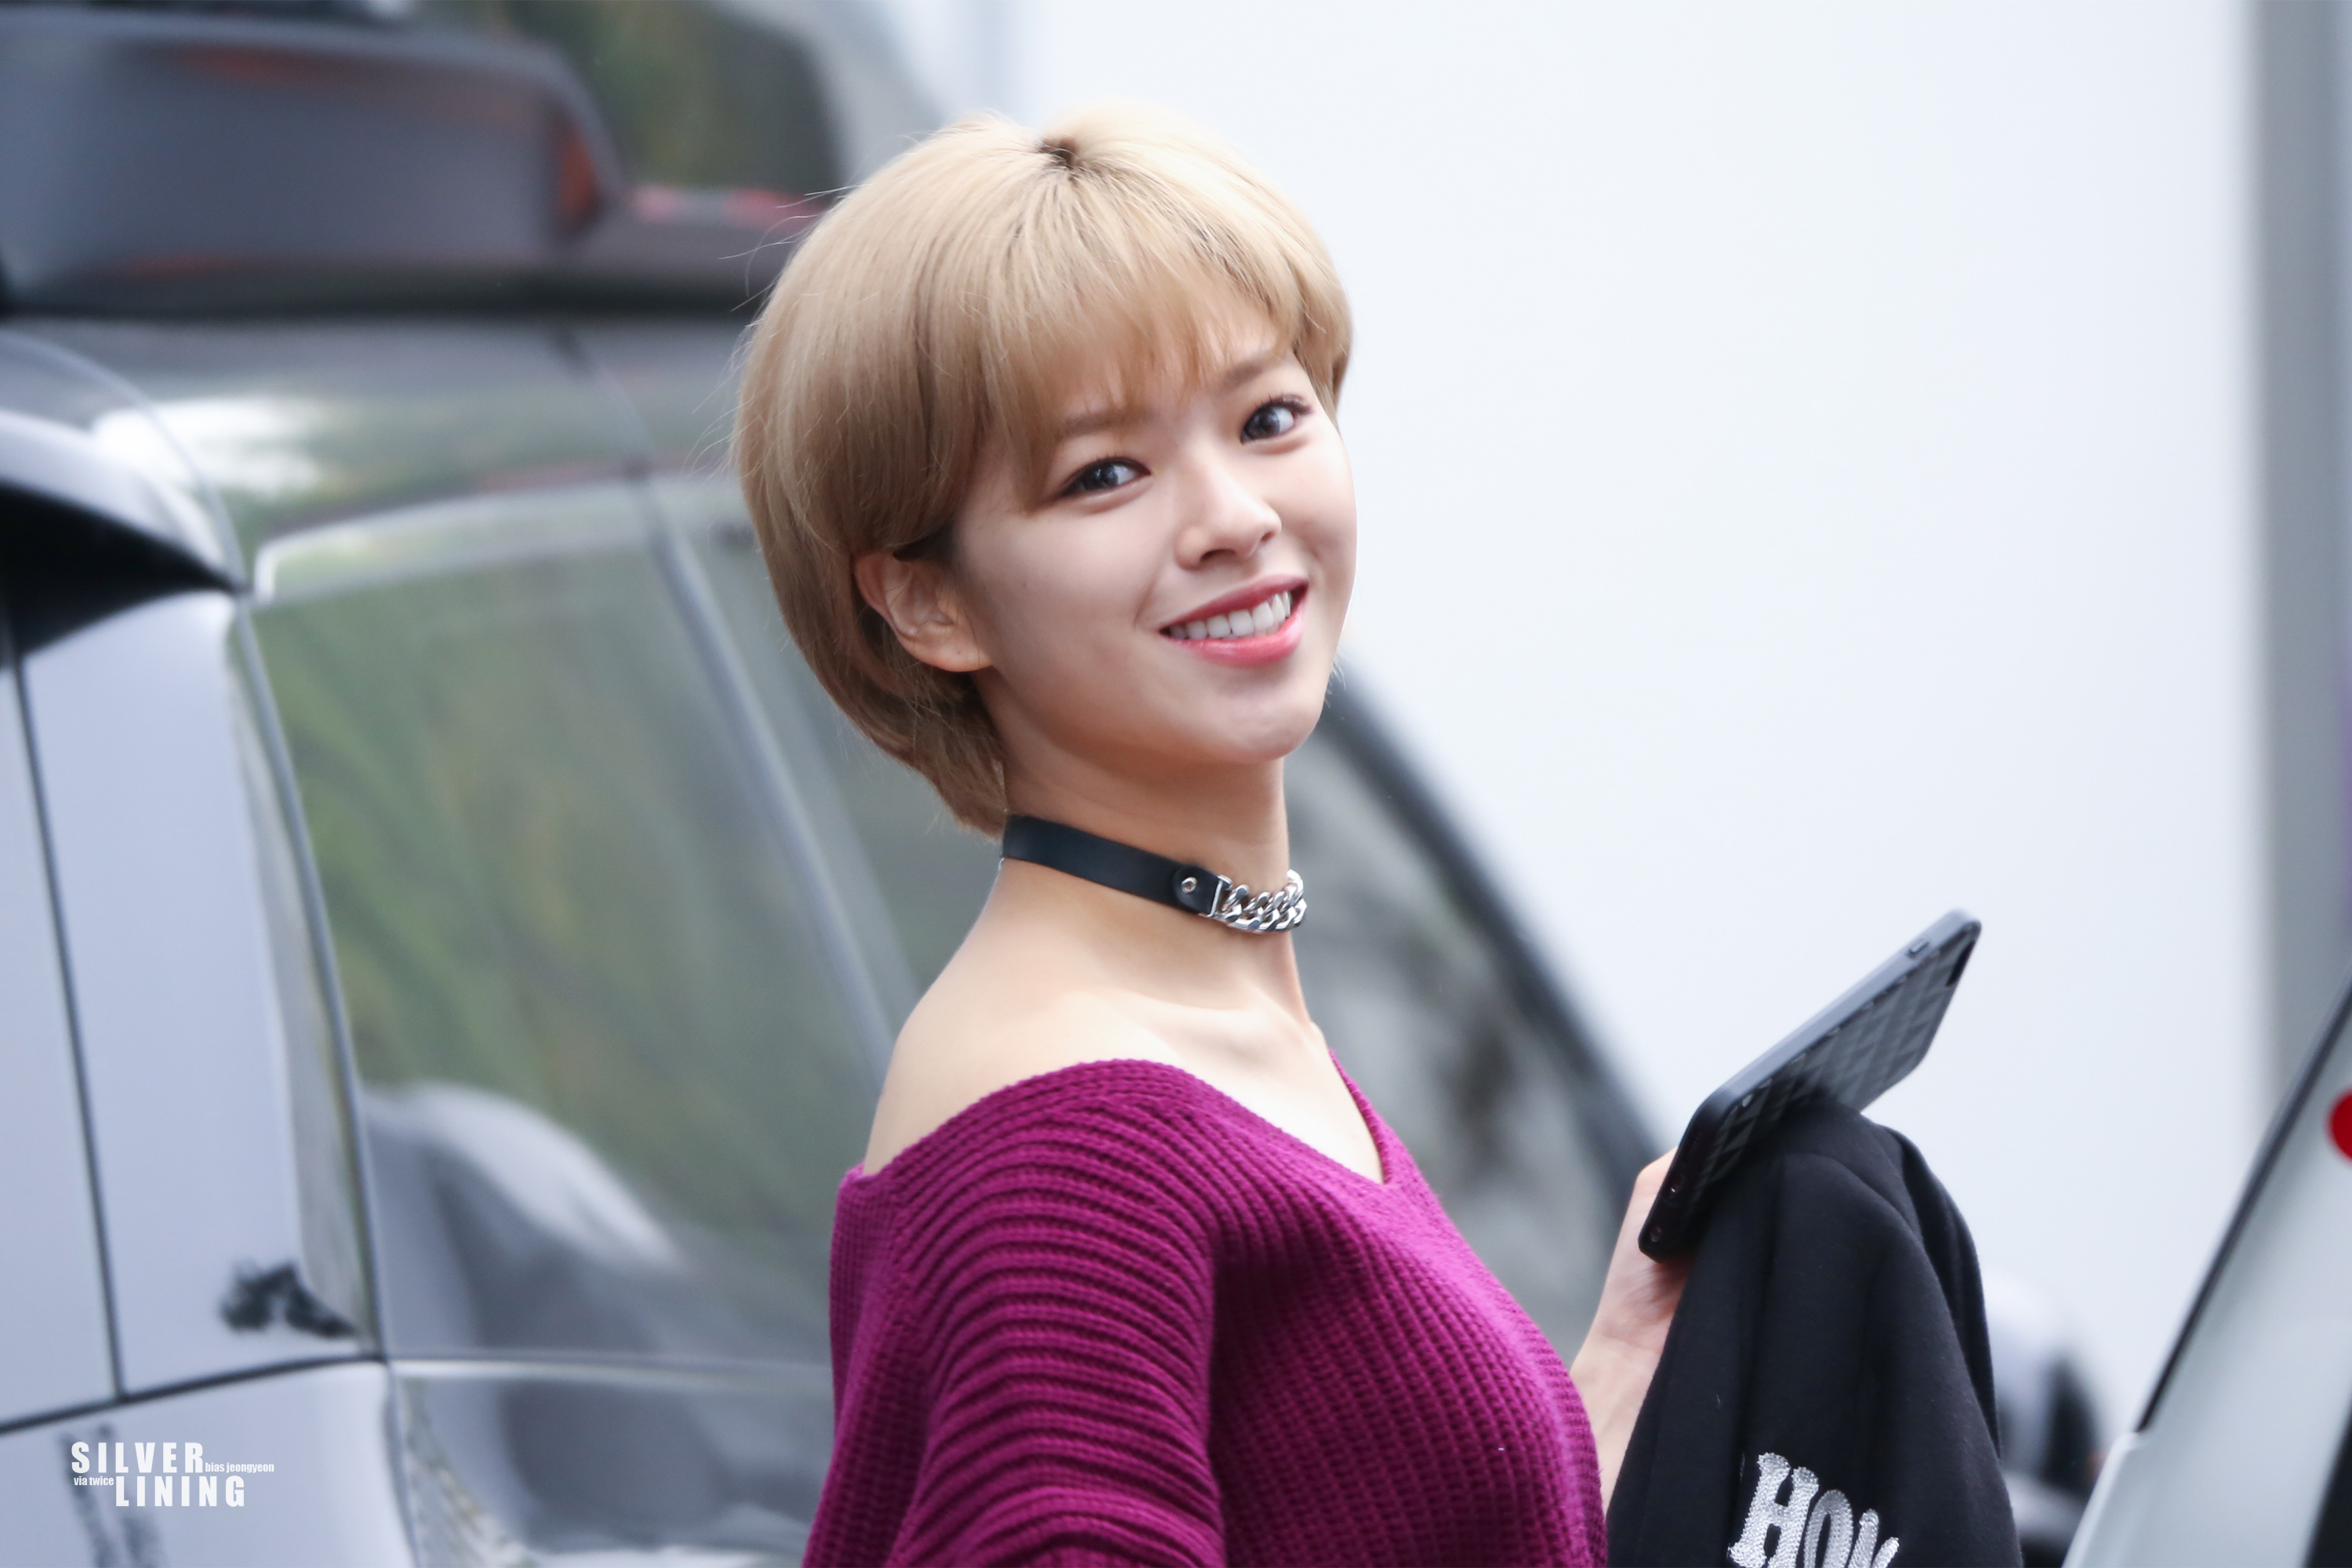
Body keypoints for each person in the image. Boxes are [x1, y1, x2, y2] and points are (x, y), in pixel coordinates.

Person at [735, 103, 1685, 1567]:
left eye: (1268, 419)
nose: (1234, 516)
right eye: (1104, 474)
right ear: (930, 602)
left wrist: (1617, 1369)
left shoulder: (1206, 1014)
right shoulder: (1056, 1142)